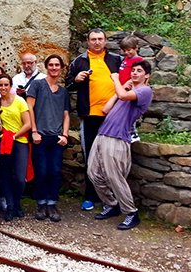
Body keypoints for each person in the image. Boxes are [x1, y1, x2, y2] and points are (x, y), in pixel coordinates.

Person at [89, 61, 153, 230]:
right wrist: (121, 88)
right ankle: (112, 204)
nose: (135, 73)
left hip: (117, 137)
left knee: (114, 176)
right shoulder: (125, 92)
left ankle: (131, 212)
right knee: (93, 173)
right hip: (102, 134)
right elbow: (105, 109)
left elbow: (124, 96)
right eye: (133, 70)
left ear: (147, 75)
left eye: (139, 71)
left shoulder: (145, 91)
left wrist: (116, 80)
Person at [67, 29, 122, 211]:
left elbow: (127, 82)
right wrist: (76, 79)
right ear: (88, 41)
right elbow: (68, 84)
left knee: (112, 157)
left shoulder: (116, 60)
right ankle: (91, 196)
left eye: (100, 39)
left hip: (113, 116)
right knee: (91, 156)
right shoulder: (80, 61)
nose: (97, 42)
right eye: (93, 39)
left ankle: (112, 197)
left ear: (105, 41)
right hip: (89, 115)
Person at [26, 54, 70, 222]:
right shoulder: (37, 85)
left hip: (57, 138)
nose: (54, 68)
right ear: (46, 67)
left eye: (57, 65)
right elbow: (29, 108)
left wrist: (65, 135)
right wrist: (34, 131)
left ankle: (52, 204)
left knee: (55, 171)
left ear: (61, 68)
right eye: (51, 65)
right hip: (40, 136)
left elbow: (66, 115)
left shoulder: (63, 92)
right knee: (41, 171)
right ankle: (41, 203)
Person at [0, 73, 32, 221]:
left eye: (6, 85)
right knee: (5, 175)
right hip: (4, 142)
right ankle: (10, 206)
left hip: (19, 140)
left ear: (11, 86)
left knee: (19, 177)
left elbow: (28, 124)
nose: (3, 87)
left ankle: (17, 202)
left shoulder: (19, 101)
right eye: (0, 85)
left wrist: (14, 136)